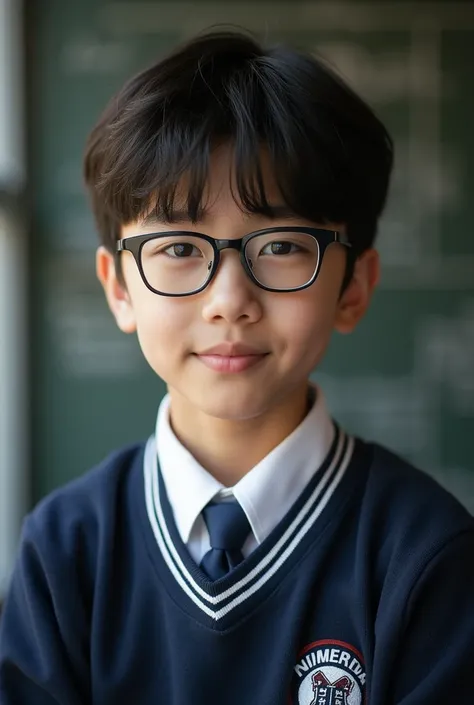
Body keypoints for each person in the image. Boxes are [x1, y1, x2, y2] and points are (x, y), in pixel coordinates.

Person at [0, 29, 473, 705]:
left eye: (281, 244)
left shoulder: (426, 554)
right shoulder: (67, 550)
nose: (230, 302)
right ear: (118, 288)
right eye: (179, 248)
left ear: (355, 286)